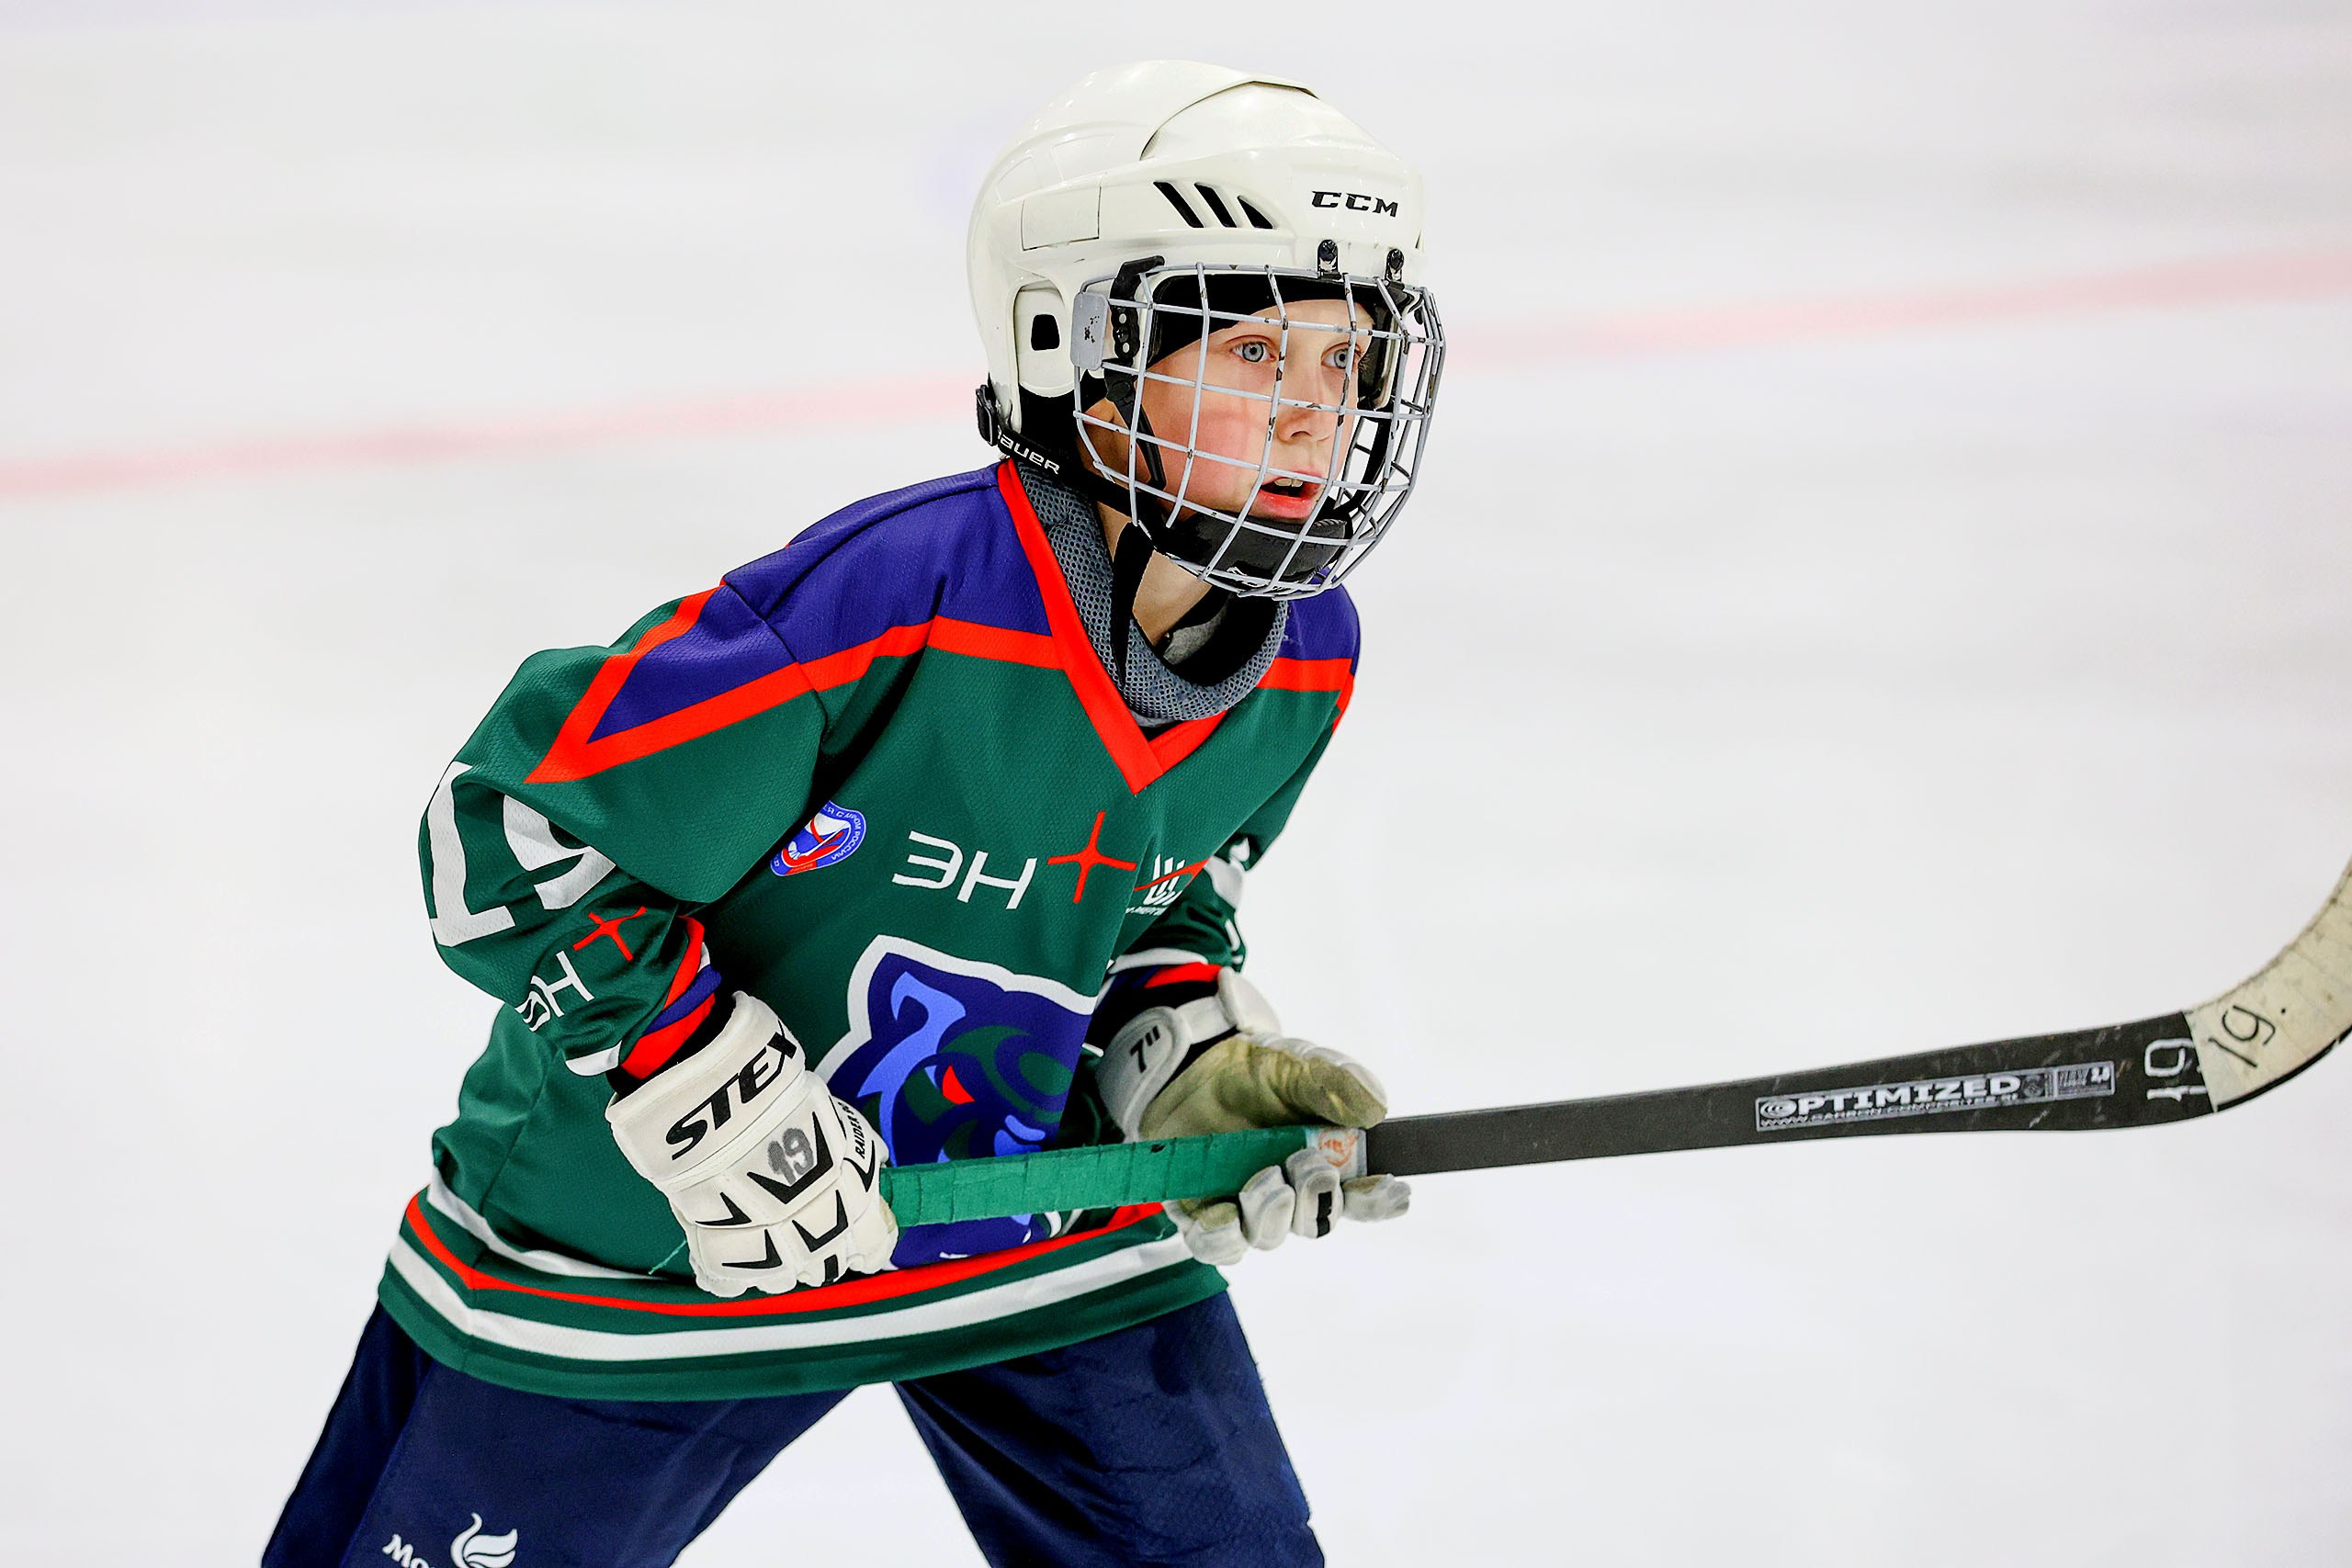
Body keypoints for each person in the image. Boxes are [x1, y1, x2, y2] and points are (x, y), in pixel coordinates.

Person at [266, 58, 1445, 1568]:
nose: (1314, 416)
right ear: (1082, 354)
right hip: (653, 1256)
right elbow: (502, 835)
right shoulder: (886, 613)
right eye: (1260, 354)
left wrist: (1176, 1053)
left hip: (1017, 1222)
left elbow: (1150, 890)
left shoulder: (1305, 656)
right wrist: (694, 1073)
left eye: (1347, 362)